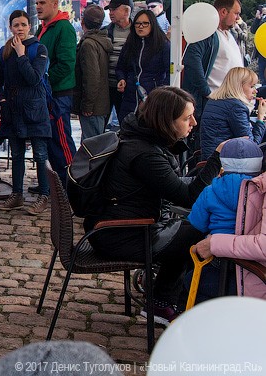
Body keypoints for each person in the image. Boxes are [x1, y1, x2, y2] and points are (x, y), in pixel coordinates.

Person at [85, 87, 219, 324]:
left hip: (117, 226)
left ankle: (163, 297)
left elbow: (172, 184)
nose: (194, 123)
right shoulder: (145, 153)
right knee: (200, 232)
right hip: (119, 234)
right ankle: (161, 302)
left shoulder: (140, 139)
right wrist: (216, 161)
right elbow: (187, 196)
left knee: (191, 227)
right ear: (166, 121)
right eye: (187, 118)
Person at [187, 138, 263, 301]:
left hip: (216, 260)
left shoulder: (211, 190)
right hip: (250, 264)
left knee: (192, 284)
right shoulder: (260, 192)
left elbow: (196, 222)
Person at [0, 10, 51, 212]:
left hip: (35, 109)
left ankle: (44, 194)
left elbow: (34, 78)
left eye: (23, 25)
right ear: (10, 28)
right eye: (16, 25)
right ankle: (17, 194)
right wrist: (1, 98)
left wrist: (21, 55)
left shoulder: (39, 49)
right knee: (16, 154)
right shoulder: (4, 50)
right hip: (13, 109)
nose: (20, 29)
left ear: (29, 26)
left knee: (40, 155)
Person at [34, 0, 77, 205]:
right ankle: (56, 184)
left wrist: (44, 82)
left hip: (58, 95)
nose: (38, 6)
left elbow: (67, 64)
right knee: (51, 143)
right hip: (46, 94)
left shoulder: (64, 28)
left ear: (54, 4)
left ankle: (72, 187)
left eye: (42, 3)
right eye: (36, 3)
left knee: (62, 142)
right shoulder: (43, 28)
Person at [182, 0, 244, 119]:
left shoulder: (229, 34)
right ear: (223, 12)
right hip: (211, 102)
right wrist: (207, 92)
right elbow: (192, 60)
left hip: (228, 100)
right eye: (236, 13)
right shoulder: (207, 34)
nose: (238, 18)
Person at [198, 67, 266, 160]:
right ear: (239, 86)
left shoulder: (214, 100)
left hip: (211, 158)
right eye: (251, 86)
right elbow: (251, 146)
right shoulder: (236, 106)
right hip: (224, 163)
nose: (255, 91)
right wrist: (260, 119)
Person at [115, 9, 170, 122]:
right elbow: (120, 67)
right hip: (129, 96)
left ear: (152, 24)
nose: (141, 27)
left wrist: (160, 93)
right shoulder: (130, 44)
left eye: (145, 23)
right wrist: (121, 79)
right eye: (137, 23)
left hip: (152, 98)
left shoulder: (163, 45)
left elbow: (170, 72)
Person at [74, 5, 112, 140]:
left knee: (92, 147)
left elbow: (92, 76)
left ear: (83, 22)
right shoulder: (102, 41)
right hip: (101, 103)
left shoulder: (89, 44)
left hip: (93, 106)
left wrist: (87, 105)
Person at [104, 0, 134, 129]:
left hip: (127, 87)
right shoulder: (105, 31)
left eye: (114, 10)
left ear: (126, 11)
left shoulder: (137, 32)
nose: (110, 13)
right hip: (106, 86)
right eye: (109, 10)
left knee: (127, 124)